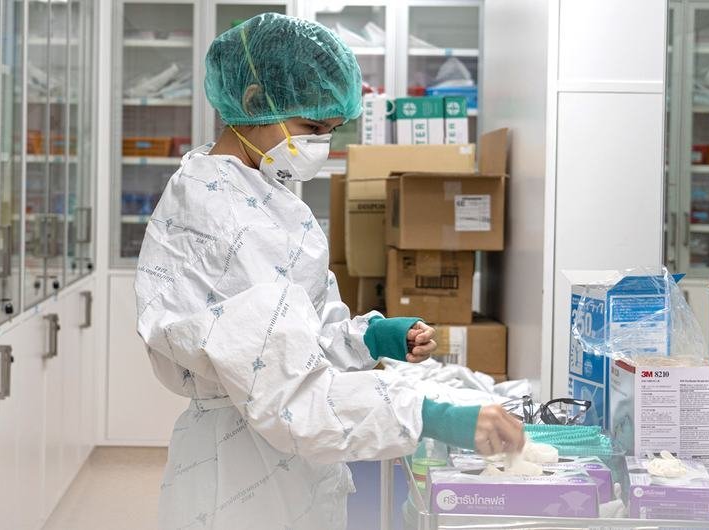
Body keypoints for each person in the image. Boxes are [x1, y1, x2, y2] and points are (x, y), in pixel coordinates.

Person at [134, 13, 524, 529]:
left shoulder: (263, 194)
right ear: (253, 102)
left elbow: (298, 342)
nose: (322, 145)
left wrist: (369, 337)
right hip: (240, 478)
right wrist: (432, 414)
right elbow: (292, 398)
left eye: (331, 130)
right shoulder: (217, 215)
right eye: (312, 128)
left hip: (284, 460)